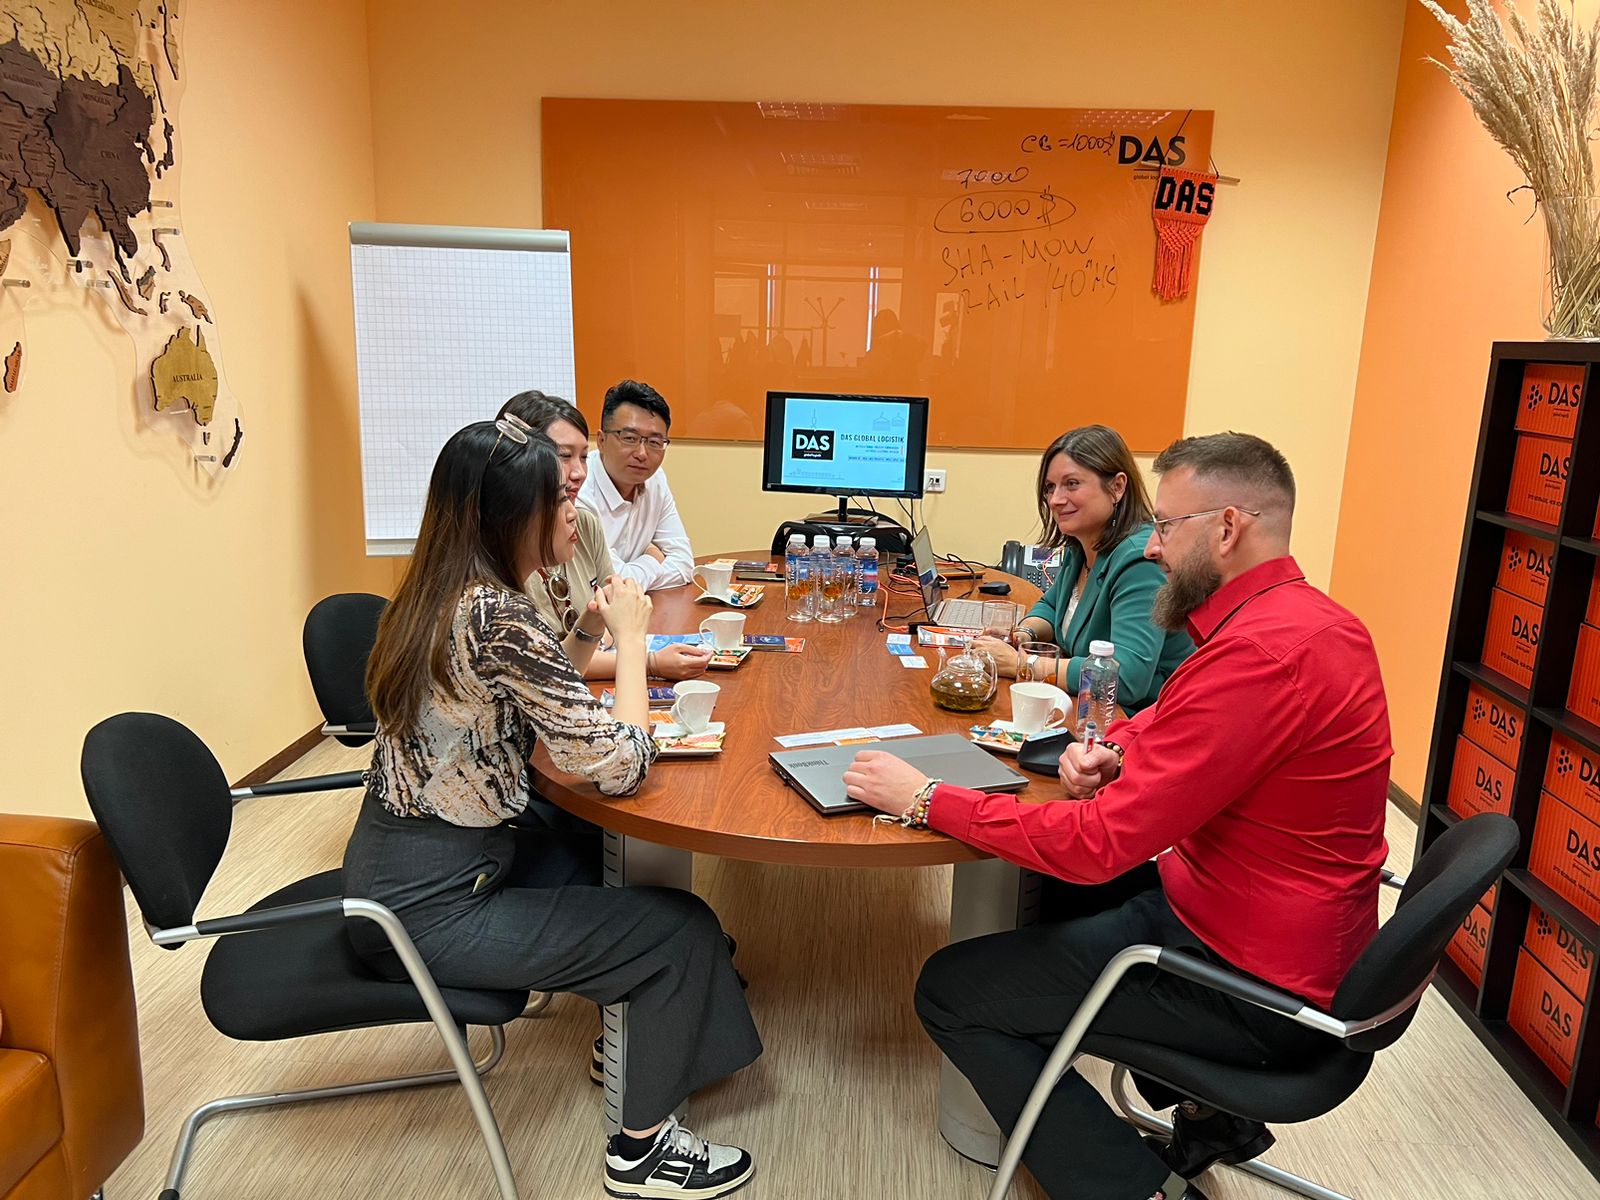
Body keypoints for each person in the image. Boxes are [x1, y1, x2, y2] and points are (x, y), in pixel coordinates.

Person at [843, 432, 1392, 1200]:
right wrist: (1117, 750)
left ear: (1227, 528)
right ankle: (1211, 1115)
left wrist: (925, 797)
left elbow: (1096, 844)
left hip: (1255, 989)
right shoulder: (1305, 622)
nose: (1154, 547)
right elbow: (1175, 718)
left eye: (1166, 526)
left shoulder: (1260, 656)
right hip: (1262, 930)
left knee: (952, 991)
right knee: (1057, 908)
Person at [344, 417, 760, 1198]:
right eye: (560, 501)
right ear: (514, 517)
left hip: (402, 867)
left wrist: (591, 628)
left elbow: (544, 696)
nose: (576, 512)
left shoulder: (440, 594)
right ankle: (641, 1152)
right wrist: (631, 642)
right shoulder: (499, 618)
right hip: (430, 908)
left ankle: (639, 1036)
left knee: (605, 865)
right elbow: (620, 764)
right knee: (678, 929)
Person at [974, 425, 1192, 714]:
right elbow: (1052, 606)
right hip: (1088, 708)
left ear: (1117, 487)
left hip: (1135, 720)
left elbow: (1126, 678)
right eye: (1050, 487)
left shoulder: (1139, 561)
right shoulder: (1082, 546)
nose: (1055, 499)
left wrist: (1021, 664)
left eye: (1072, 484)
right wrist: (1023, 635)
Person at [498, 390, 712, 682]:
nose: (578, 473)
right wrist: (648, 661)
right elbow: (542, 664)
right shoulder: (502, 558)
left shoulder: (582, 521)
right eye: (564, 456)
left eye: (583, 457)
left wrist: (600, 633)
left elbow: (611, 613)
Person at [578, 380, 696, 592]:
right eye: (630, 438)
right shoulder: (580, 490)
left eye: (654, 442)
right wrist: (652, 558)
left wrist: (635, 573)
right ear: (602, 441)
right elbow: (610, 584)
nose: (642, 454)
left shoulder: (655, 480)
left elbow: (684, 565)